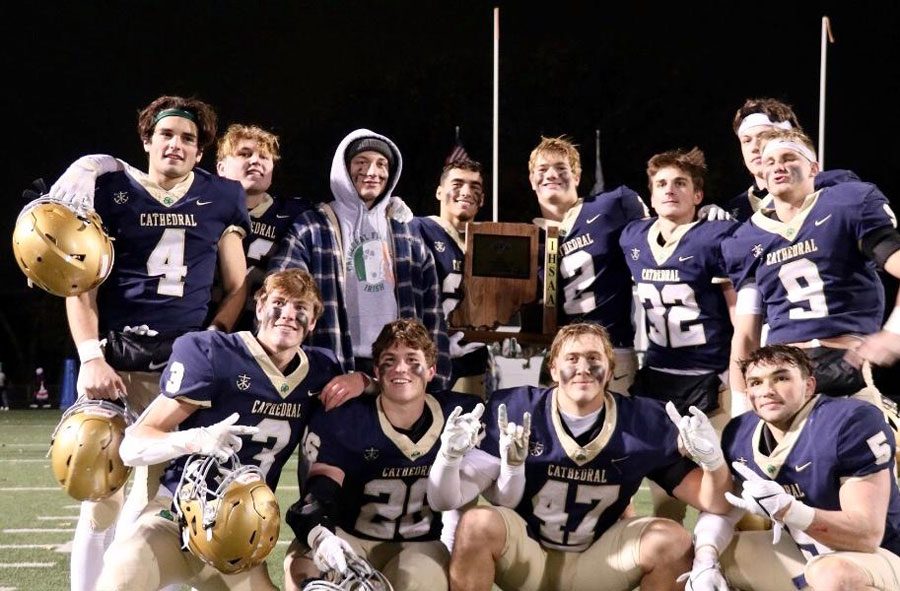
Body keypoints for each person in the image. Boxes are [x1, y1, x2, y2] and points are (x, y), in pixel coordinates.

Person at [47, 95, 251, 591]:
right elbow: (79, 280)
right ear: (147, 141)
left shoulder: (222, 196)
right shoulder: (112, 188)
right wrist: (91, 356)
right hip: (115, 363)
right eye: (167, 134)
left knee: (159, 501)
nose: (176, 145)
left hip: (179, 374)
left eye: (188, 138)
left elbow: (238, 284)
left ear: (200, 151)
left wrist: (215, 339)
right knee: (101, 496)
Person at [95, 269, 368, 591]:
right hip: (178, 516)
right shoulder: (214, 352)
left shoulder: (320, 370)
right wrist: (196, 439)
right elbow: (133, 445)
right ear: (260, 306)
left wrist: (364, 380)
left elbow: (388, 391)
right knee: (122, 573)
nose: (288, 315)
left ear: (311, 323)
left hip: (240, 535)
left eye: (300, 309)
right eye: (279, 303)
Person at [436, 323, 733, 591]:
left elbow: (715, 501)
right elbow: (455, 497)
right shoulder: (517, 410)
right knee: (476, 523)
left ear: (610, 369)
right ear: (553, 370)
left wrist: (714, 462)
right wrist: (452, 460)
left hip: (599, 559)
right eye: (572, 358)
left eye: (594, 359)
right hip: (527, 554)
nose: (583, 368)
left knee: (673, 540)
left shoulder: (641, 423)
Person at [282, 319, 479, 591]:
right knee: (304, 565)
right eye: (390, 360)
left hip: (420, 545)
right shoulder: (350, 419)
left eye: (412, 359)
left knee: (417, 581)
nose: (400, 368)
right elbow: (319, 494)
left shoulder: (459, 416)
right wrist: (321, 537)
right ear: (376, 370)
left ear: (432, 370)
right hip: (351, 536)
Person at [683, 345, 900, 590]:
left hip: (880, 557)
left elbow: (866, 536)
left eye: (781, 378)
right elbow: (724, 508)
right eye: (756, 383)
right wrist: (704, 561)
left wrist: (789, 510)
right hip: (807, 554)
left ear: (809, 386)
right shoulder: (740, 431)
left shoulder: (849, 422)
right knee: (701, 554)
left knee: (831, 574)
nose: (767, 391)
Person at [722, 128, 900, 410]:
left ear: (813, 168)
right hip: (782, 377)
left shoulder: (846, 204)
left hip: (844, 367)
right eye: (770, 162)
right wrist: (741, 407)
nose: (778, 166)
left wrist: (894, 334)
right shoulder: (747, 239)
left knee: (867, 446)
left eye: (789, 157)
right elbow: (745, 334)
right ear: (763, 176)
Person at [270, 129, 451, 391]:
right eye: (361, 162)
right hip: (328, 367)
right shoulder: (313, 227)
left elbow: (433, 314)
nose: (372, 171)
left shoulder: (408, 235)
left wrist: (438, 385)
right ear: (344, 169)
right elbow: (281, 297)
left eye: (381, 164)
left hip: (396, 372)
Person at [620, 147, 738, 520]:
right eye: (662, 184)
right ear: (651, 195)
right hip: (657, 380)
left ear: (697, 195)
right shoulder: (633, 238)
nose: (670, 190)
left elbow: (739, 316)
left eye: (680, 183)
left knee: (726, 494)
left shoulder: (716, 237)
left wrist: (734, 376)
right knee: (663, 497)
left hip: (710, 380)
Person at [529, 136, 648, 395]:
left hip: (612, 350)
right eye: (542, 170)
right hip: (561, 355)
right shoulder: (531, 237)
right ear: (531, 181)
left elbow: (659, 238)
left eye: (561, 168)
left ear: (577, 176)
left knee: (618, 433)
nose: (551, 175)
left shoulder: (612, 204)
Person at [213, 124, 310, 332]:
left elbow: (340, 213)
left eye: (264, 157)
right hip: (202, 323)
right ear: (221, 168)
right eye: (244, 154)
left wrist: (389, 207)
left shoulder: (294, 213)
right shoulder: (202, 208)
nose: (255, 161)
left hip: (261, 331)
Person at [409, 158, 489, 395]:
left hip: (475, 365)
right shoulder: (417, 229)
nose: (466, 192)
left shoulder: (490, 242)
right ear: (439, 191)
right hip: (425, 363)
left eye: (475, 187)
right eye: (457, 184)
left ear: (482, 199)